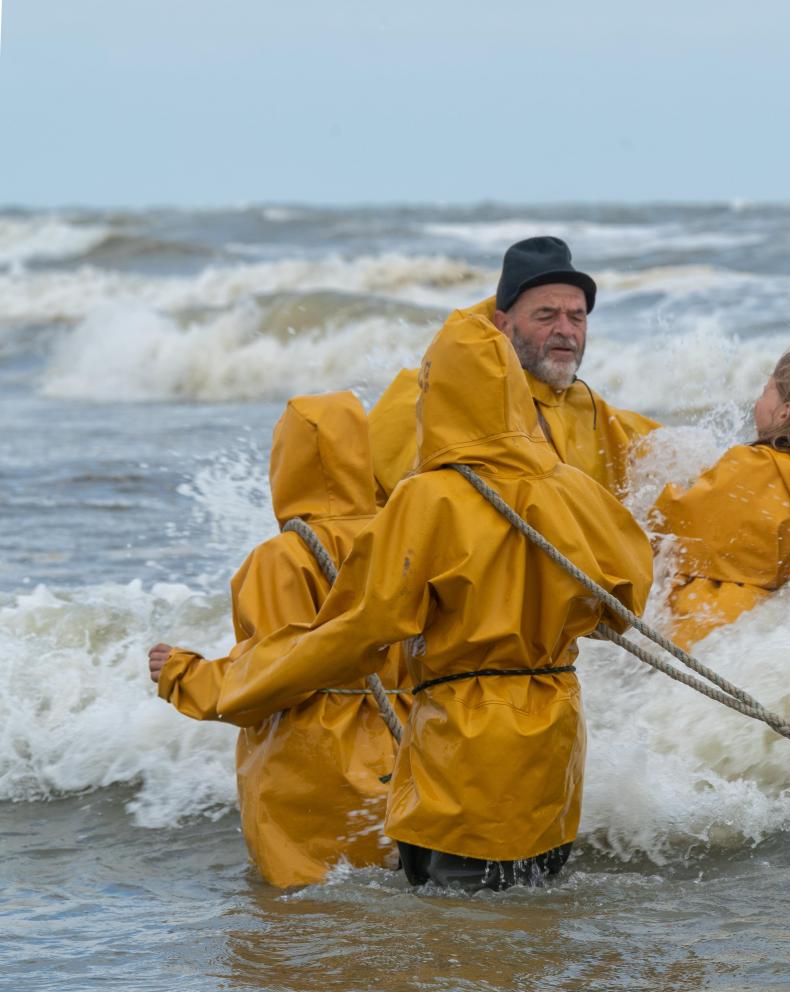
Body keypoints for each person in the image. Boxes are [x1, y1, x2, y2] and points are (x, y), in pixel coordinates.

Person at [181, 305, 655, 891]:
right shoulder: (573, 488)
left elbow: (363, 629)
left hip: (462, 742)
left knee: (456, 938)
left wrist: (230, 685)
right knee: (535, 912)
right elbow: (625, 600)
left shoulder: (427, 499)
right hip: (557, 738)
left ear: (442, 392)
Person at [146, 392, 410, 888]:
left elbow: (272, 677)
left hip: (311, 774)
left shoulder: (280, 559)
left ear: (287, 462)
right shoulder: (406, 536)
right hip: (411, 755)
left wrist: (182, 674)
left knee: (308, 930)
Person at [368, 236, 660, 503]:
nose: (565, 330)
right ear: (503, 325)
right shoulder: (431, 395)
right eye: (546, 315)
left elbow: (671, 462)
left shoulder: (596, 414)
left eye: (576, 317)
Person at [651, 351, 790, 647]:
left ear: (785, 412)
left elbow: (672, 526)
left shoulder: (752, 465)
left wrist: (664, 484)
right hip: (773, 632)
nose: (757, 403)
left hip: (707, 628)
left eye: (764, 393)